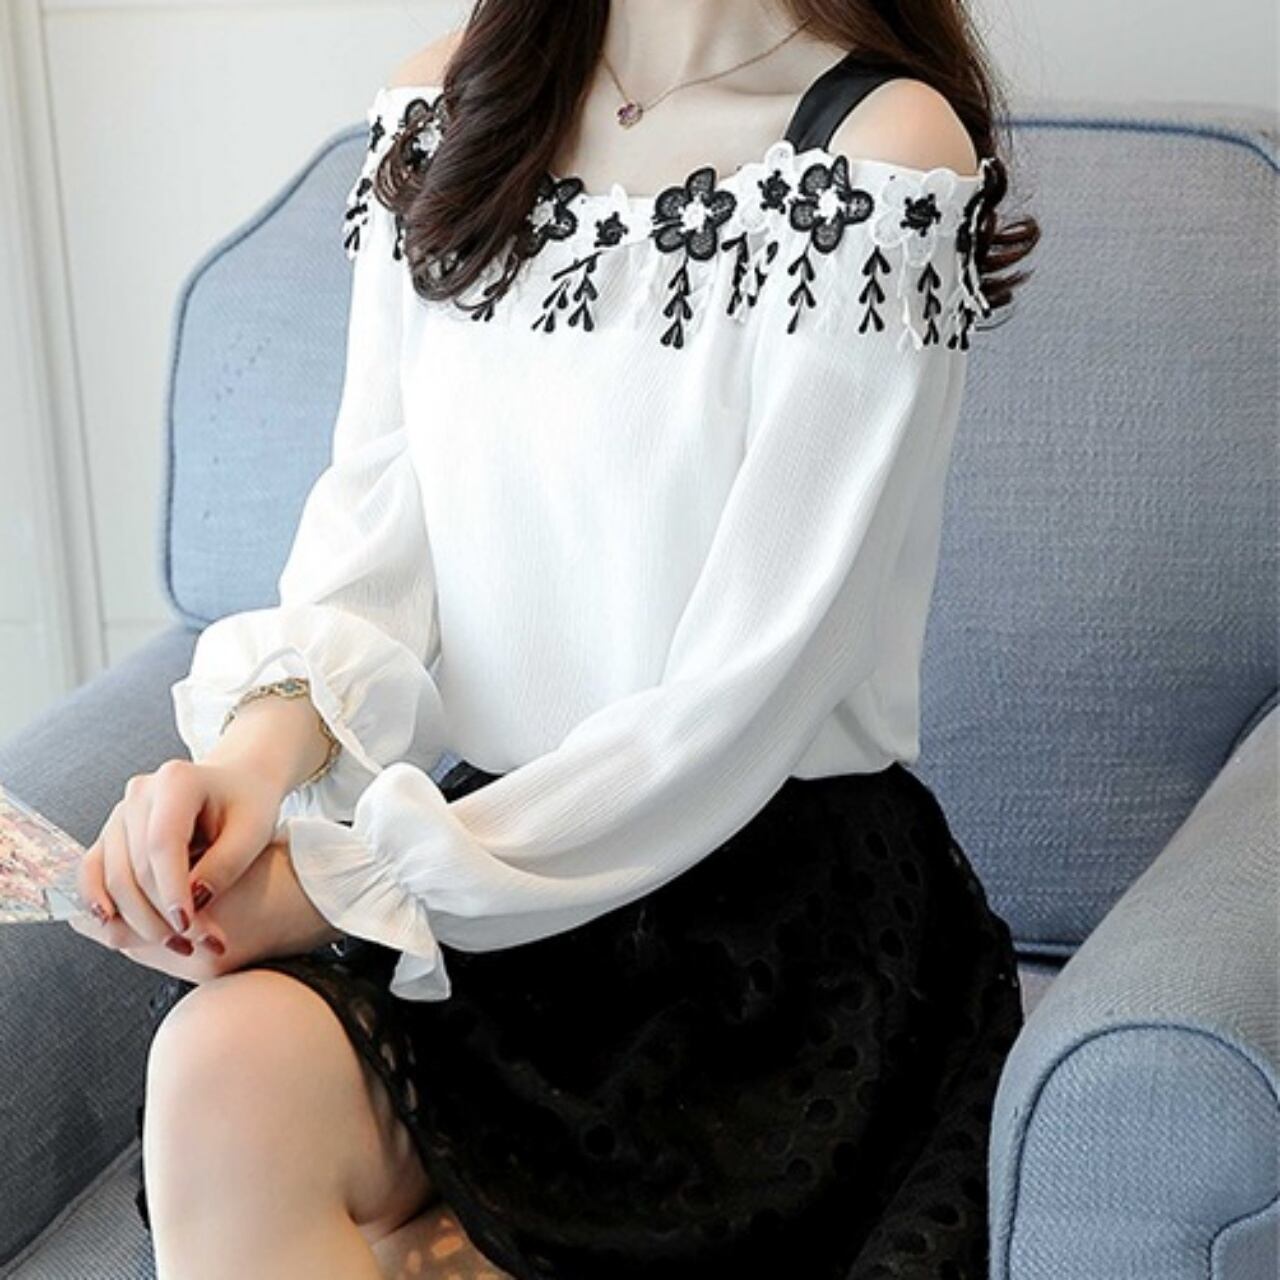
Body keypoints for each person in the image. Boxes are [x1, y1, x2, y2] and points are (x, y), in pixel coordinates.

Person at [70, 3, 1040, 1276]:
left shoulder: (879, 153)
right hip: (488, 883)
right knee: (220, 1065)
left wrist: (342, 882)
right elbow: (376, 539)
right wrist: (251, 770)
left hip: (762, 942)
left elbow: (746, 691)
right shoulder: (451, 108)